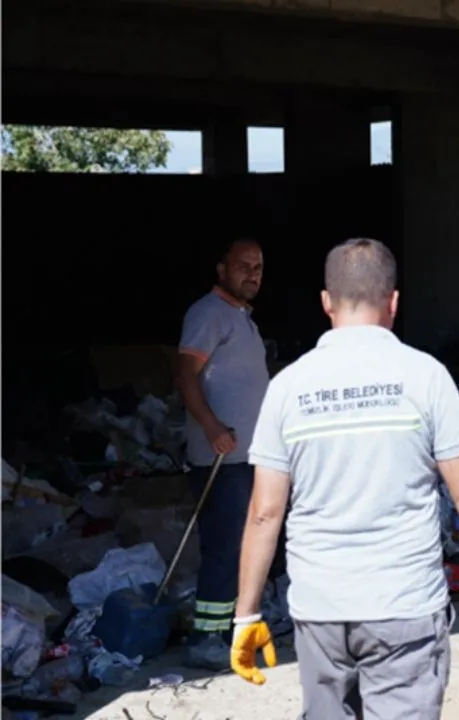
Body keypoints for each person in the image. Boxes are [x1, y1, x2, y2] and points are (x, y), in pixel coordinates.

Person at [230, 238, 459, 719]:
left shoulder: (287, 386)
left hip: (319, 609)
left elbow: (265, 512)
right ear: (393, 302)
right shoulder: (425, 376)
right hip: (403, 605)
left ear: (326, 302)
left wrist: (246, 614)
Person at [173, 237, 270, 669]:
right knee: (224, 546)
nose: (252, 274)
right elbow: (185, 372)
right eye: (243, 265)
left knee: (247, 543)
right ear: (221, 269)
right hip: (221, 459)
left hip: (247, 457)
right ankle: (205, 639)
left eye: (259, 268)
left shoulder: (242, 318)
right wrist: (211, 426)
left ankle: (235, 623)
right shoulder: (208, 313)